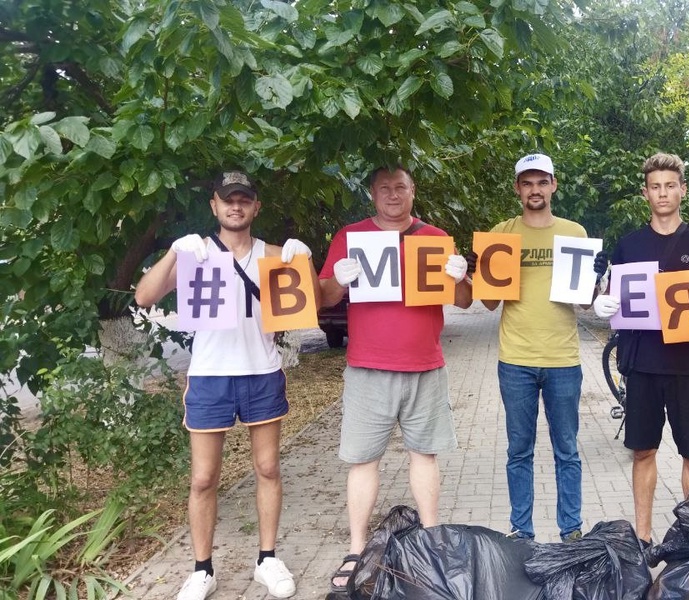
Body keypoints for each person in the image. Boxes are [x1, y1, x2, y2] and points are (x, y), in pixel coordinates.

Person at [134, 171, 315, 600]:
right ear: (214, 206)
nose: (236, 206)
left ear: (255, 207)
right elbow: (143, 297)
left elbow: (311, 301)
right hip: (209, 376)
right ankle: (202, 569)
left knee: (268, 469)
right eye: (227, 200)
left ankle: (267, 559)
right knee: (202, 478)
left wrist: (302, 262)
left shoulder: (273, 255)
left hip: (261, 372)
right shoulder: (194, 254)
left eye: (244, 200)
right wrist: (174, 255)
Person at [317, 166, 472, 593]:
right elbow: (322, 296)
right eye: (384, 188)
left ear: (412, 191)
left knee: (425, 454)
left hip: (425, 364)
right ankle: (356, 547)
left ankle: (432, 537)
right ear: (372, 193)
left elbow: (464, 301)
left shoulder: (436, 238)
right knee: (363, 459)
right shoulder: (350, 237)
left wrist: (462, 277)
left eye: (399, 187)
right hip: (368, 367)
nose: (392, 194)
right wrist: (337, 283)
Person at [592, 152, 689, 548]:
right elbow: (612, 295)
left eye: (670, 185)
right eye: (655, 186)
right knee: (642, 451)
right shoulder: (629, 245)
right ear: (645, 193)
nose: (663, 193)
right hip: (641, 363)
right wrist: (604, 302)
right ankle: (642, 536)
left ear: (682, 190)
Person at [475, 153, 606, 542]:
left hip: (563, 359)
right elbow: (486, 303)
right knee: (519, 451)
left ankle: (571, 530)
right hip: (515, 359)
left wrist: (596, 281)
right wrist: (474, 271)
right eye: (527, 182)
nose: (535, 189)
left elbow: (584, 303)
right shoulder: (501, 233)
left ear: (554, 185)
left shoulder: (574, 233)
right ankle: (521, 531)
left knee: (567, 450)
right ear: (517, 188)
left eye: (542, 181)